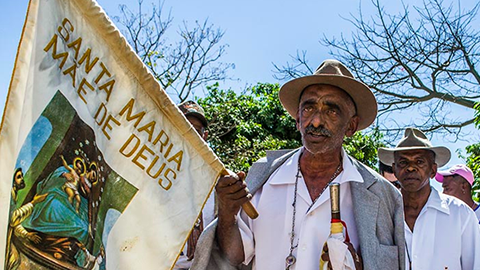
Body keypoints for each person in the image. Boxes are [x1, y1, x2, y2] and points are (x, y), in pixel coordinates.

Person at [191, 59, 405, 270]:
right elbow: (235, 256)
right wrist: (228, 212)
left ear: (351, 125)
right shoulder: (263, 177)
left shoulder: (381, 195)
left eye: (331, 111)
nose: (316, 121)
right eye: (309, 108)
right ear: (297, 119)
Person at [378, 127, 480, 270]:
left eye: (419, 162)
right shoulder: (383, 214)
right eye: (403, 162)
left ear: (433, 170)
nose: (411, 168)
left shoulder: (460, 214)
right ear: (395, 170)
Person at [174, 100, 215, 270]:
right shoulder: (158, 171)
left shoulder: (217, 178)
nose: (191, 135)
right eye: (185, 127)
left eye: (197, 131)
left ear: (204, 136)